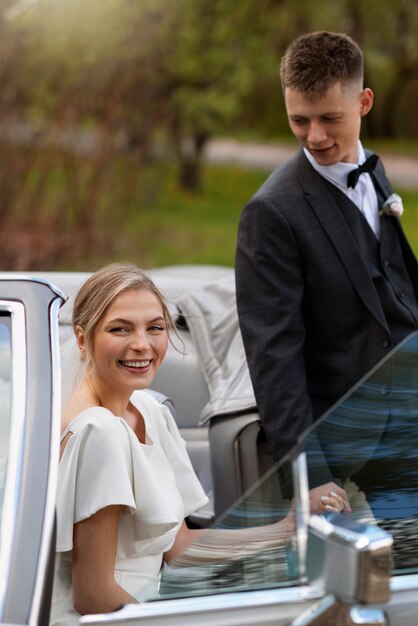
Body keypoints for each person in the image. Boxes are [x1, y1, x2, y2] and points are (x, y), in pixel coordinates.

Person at [51, 262, 346, 625]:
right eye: (120, 329)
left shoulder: (149, 409)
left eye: (155, 328)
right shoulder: (98, 432)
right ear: (83, 339)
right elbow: (93, 594)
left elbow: (179, 546)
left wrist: (287, 528)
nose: (142, 345)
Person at [236, 31, 418, 467]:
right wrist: (308, 474)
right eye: (299, 120)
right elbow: (273, 356)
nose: (314, 137)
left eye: (329, 119)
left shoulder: (371, 168)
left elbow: (392, 279)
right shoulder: (271, 213)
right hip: (355, 435)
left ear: (364, 103)